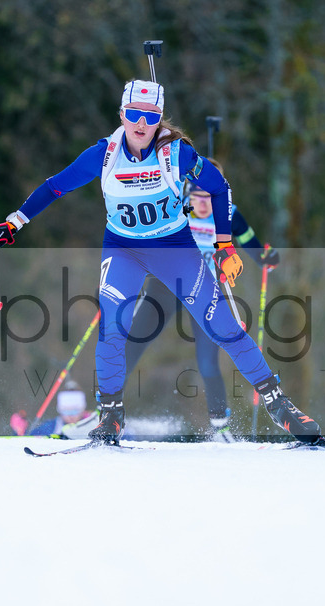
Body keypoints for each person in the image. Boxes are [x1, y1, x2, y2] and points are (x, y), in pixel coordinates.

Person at [0, 79, 320, 444]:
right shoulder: (103, 155)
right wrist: (13, 223)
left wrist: (225, 246)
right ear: (122, 115)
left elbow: (219, 186)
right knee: (112, 327)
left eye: (150, 116)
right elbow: (54, 187)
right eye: (133, 114)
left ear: (159, 119)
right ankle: (110, 415)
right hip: (123, 249)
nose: (141, 124)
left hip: (175, 249)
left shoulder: (175, 154)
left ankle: (279, 404)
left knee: (223, 325)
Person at [124, 159, 280, 441]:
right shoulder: (176, 207)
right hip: (166, 285)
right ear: (188, 190)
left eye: (210, 197)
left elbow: (248, 240)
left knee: (208, 362)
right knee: (132, 343)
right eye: (198, 196)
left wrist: (265, 257)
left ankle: (220, 428)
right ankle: (106, 412)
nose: (204, 204)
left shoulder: (228, 212)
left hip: (205, 291)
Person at [10, 379, 98, 438]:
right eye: (66, 411)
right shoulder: (52, 426)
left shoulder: (93, 422)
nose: (71, 416)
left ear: (83, 409)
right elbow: (30, 438)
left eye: (75, 411)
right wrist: (19, 430)